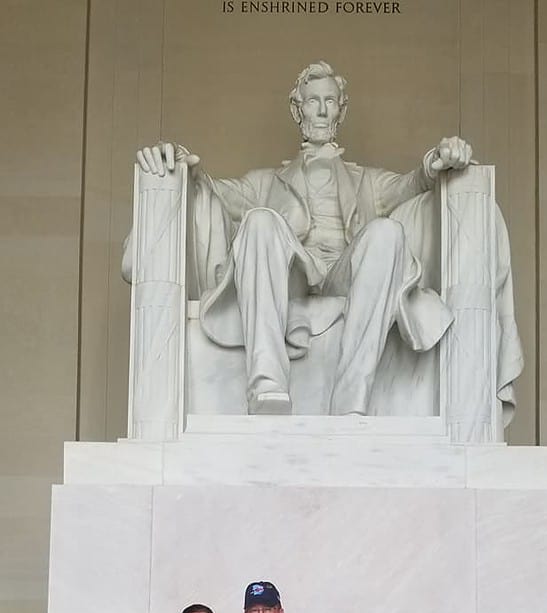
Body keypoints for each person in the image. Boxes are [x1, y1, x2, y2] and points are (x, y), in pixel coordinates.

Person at [128, 60, 478, 417]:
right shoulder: (265, 182)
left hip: (345, 275)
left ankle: (352, 396)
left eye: (330, 101)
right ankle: (267, 384)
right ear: (297, 110)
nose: (323, 110)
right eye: (313, 101)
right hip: (294, 274)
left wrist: (436, 159)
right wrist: (183, 163)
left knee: (387, 231)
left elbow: (413, 183)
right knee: (260, 221)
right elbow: (213, 191)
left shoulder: (368, 182)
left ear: (342, 110)